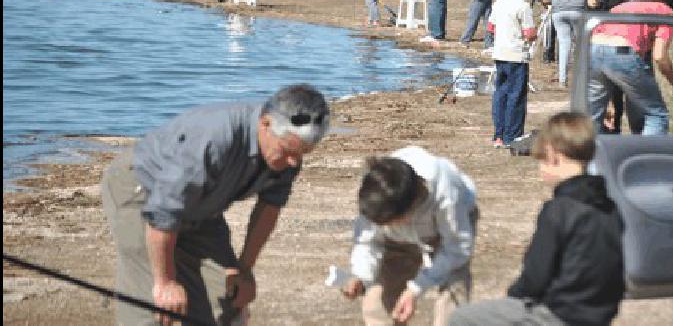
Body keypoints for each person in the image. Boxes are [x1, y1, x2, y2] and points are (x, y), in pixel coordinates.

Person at [101, 85, 330, 326]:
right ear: (265, 124)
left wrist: (244, 269)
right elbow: (162, 213)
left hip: (202, 206)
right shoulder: (213, 140)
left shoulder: (288, 158)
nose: (294, 161)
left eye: (303, 152)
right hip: (143, 190)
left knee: (228, 298)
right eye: (288, 151)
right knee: (151, 305)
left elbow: (269, 208)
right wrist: (165, 282)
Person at [449, 112, 625, 326]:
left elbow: (534, 278)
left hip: (561, 314)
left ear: (553, 155)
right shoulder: (609, 206)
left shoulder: (558, 211)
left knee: (462, 318)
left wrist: (512, 298)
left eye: (540, 158)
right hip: (601, 312)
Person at [342, 146, 478, 326]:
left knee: (453, 288)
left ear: (407, 215)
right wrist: (359, 275)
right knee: (379, 298)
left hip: (449, 233)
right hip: (398, 229)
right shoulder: (377, 191)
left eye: (389, 222)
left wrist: (415, 289)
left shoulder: (447, 193)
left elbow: (457, 249)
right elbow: (367, 242)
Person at [589, 0, 673, 135]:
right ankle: (647, 158)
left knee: (593, 115)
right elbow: (659, 56)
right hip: (623, 51)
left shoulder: (627, 6)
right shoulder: (668, 14)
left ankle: (587, 158)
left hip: (594, 47)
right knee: (656, 114)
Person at [488, 0, 536, 150]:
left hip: (500, 54)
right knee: (516, 96)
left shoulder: (499, 2)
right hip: (517, 56)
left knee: (500, 94)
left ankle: (498, 135)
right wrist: (533, 36)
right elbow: (529, 33)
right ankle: (512, 136)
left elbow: (491, 28)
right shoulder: (523, 6)